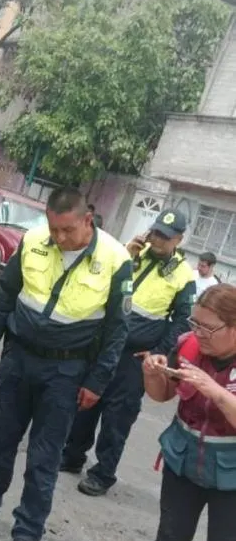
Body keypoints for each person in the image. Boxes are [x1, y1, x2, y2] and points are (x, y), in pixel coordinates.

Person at [0, 189, 133, 541]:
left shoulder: (115, 260)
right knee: (0, 439)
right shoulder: (32, 240)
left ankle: (26, 534)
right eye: (53, 228)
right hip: (19, 358)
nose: (59, 238)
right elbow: (6, 295)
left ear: (87, 220)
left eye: (67, 230)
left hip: (66, 370)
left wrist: (97, 380)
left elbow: (116, 331)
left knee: (45, 457)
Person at [61, 209, 195, 496]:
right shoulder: (133, 254)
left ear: (179, 240)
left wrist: (159, 352)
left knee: (118, 416)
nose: (158, 241)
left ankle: (103, 473)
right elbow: (101, 283)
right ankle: (72, 455)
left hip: (136, 356)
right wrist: (127, 254)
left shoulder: (184, 276)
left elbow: (182, 321)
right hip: (106, 345)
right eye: (156, 233)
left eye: (166, 237)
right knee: (86, 401)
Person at [139, 284, 236, 541]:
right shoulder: (188, 344)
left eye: (209, 329)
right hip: (183, 460)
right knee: (169, 538)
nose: (199, 335)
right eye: (196, 324)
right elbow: (161, 395)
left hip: (230, 473)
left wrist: (215, 391)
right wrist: (153, 373)